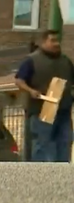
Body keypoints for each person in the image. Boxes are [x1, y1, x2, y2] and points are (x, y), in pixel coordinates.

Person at [15, 30, 74, 162]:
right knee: (43, 144)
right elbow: (19, 80)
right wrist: (31, 91)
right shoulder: (32, 60)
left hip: (63, 111)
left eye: (58, 41)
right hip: (42, 111)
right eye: (52, 41)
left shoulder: (66, 61)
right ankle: (42, 176)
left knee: (64, 143)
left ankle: (61, 175)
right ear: (43, 42)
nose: (56, 44)